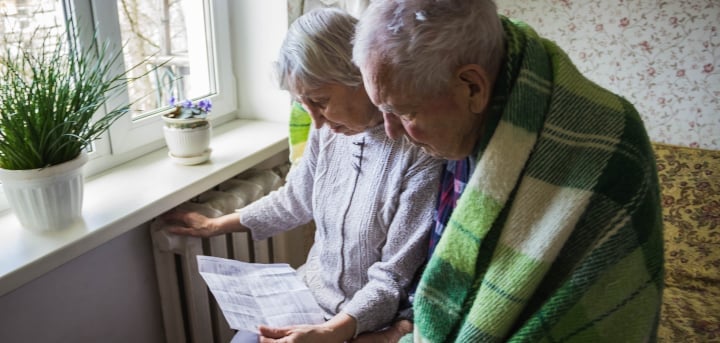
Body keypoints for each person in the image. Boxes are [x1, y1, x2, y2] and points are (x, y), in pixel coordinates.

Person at [352, 1, 665, 342]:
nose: (391, 130)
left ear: (472, 87)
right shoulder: (467, 122)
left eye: (403, 111)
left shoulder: (611, 145)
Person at [162, 7, 442, 343]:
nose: (317, 120)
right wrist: (215, 225)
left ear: (362, 77)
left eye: (321, 101)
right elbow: (295, 199)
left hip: (367, 320)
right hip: (307, 297)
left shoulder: (420, 151)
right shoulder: (329, 131)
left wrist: (329, 331)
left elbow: (392, 278)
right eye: (303, 103)